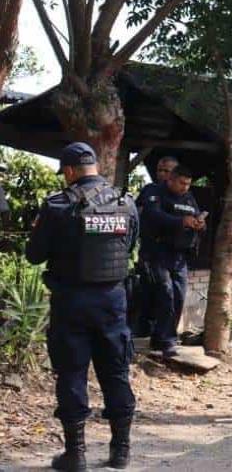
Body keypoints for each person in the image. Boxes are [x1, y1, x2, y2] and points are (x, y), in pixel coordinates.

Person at [25, 142, 138, 470]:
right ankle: (121, 451)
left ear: (70, 171)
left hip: (71, 302)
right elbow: (130, 245)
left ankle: (76, 454)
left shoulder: (58, 206)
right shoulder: (126, 203)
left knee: (72, 373)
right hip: (113, 301)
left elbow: (34, 256)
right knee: (116, 371)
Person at [139, 165, 205, 357]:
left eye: (188, 184)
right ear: (171, 179)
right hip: (158, 253)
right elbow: (152, 215)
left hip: (180, 256)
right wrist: (180, 221)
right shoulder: (155, 192)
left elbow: (195, 216)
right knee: (165, 294)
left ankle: (164, 338)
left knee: (179, 295)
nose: (185, 187)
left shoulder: (189, 198)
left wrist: (199, 223)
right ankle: (164, 340)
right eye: (182, 183)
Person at [130, 156, 179, 336]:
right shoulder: (149, 190)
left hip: (175, 255)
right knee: (148, 293)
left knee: (173, 296)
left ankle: (165, 335)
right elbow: (135, 214)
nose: (162, 174)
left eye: (167, 171)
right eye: (160, 170)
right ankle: (145, 331)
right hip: (151, 252)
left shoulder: (184, 196)